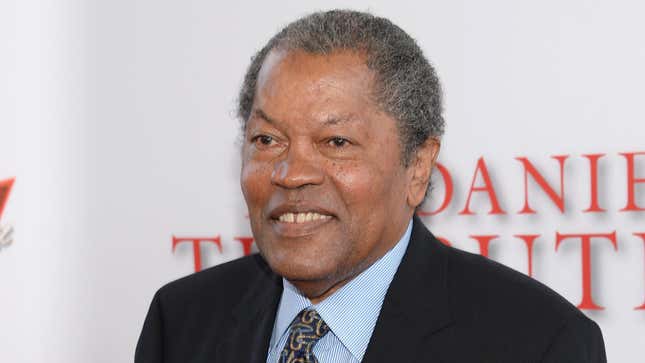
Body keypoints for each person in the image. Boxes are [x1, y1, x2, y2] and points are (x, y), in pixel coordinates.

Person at [135, 10, 606, 363]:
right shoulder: (180, 323)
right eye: (267, 139)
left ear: (417, 167)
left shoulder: (539, 343)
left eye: (336, 141)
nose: (292, 172)